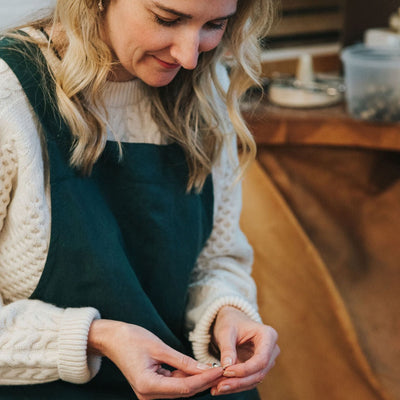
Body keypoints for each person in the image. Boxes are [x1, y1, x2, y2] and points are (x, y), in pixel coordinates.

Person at [0, 0, 279, 398]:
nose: (187, 55)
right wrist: (97, 338)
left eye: (215, 25)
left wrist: (226, 312)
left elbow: (216, 259)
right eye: (167, 19)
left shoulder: (205, 84)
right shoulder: (8, 95)